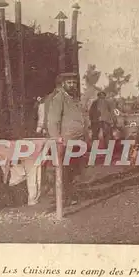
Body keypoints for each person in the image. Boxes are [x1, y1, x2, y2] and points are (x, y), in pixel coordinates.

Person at [47, 72, 86, 205]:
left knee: (74, 170)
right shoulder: (59, 98)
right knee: (65, 170)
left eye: (74, 82)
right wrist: (56, 138)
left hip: (78, 140)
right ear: (63, 84)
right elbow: (53, 120)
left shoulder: (74, 99)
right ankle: (63, 198)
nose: (72, 85)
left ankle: (71, 196)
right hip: (66, 140)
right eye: (69, 82)